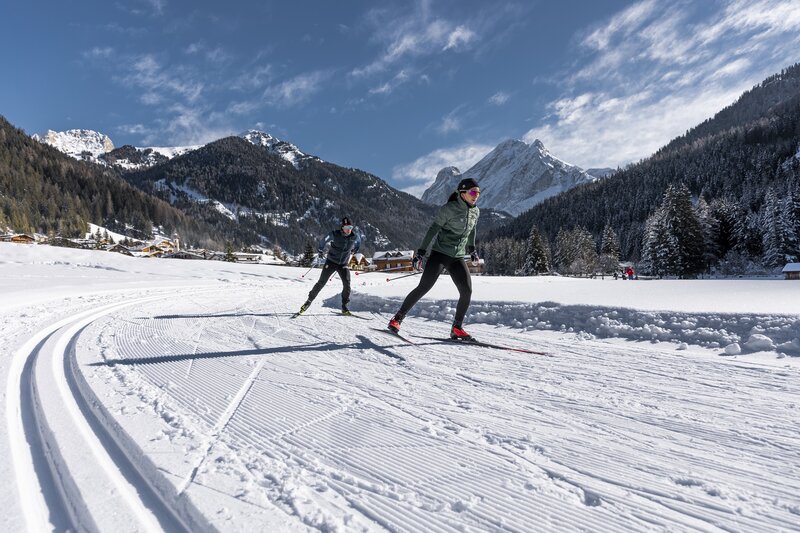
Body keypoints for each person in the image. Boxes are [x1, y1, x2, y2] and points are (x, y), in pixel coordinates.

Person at [388, 178, 481, 340]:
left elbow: (472, 230)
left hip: (457, 256)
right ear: (462, 193)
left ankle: (457, 328)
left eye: (478, 193)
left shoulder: (476, 211)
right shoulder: (448, 209)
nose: (476, 196)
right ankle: (397, 318)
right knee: (424, 287)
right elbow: (433, 229)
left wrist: (472, 249)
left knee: (467, 291)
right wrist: (421, 252)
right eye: (473, 192)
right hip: (440, 254)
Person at [298, 217, 361, 315]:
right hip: (331, 262)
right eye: (346, 227)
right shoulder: (335, 234)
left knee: (347, 284)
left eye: (350, 227)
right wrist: (320, 250)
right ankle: (308, 302)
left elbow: (358, 243)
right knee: (321, 282)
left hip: (343, 264)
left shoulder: (355, 236)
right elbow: (324, 240)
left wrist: (355, 250)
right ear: (342, 227)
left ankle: (344, 307)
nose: (348, 229)